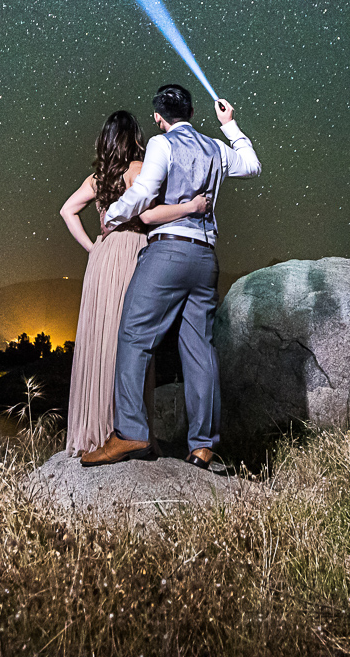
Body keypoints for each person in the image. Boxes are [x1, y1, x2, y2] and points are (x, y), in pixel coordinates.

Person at [80, 85, 261, 470]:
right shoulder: (215, 146)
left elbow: (144, 195)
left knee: (133, 334)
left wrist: (112, 216)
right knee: (199, 349)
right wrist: (230, 126)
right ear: (193, 112)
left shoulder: (163, 145)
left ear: (160, 118)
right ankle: (203, 447)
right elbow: (252, 165)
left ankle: (131, 434)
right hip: (206, 258)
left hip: (168, 252)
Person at [57, 110, 211, 455]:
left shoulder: (97, 177)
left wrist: (92, 248)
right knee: (133, 342)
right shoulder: (138, 170)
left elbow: (68, 211)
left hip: (102, 260)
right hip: (135, 255)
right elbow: (147, 215)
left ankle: (95, 431)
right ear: (134, 138)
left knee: (101, 339)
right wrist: (191, 206)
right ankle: (131, 432)